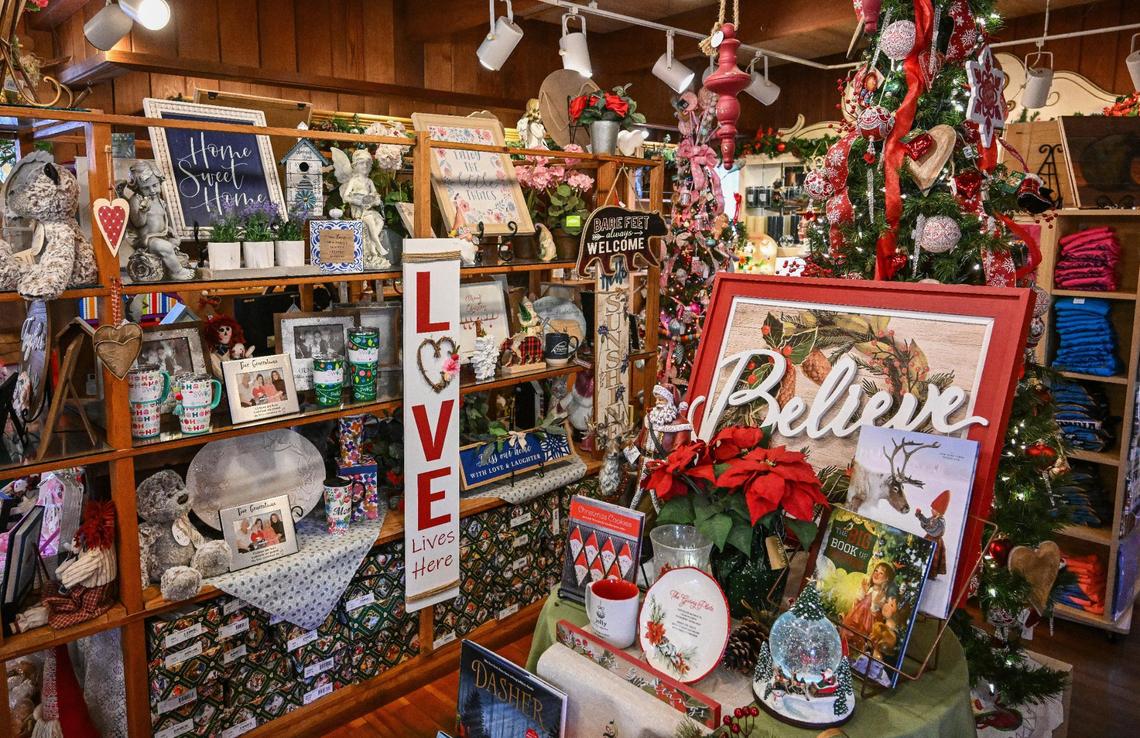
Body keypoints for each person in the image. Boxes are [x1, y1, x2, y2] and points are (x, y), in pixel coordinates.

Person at [843, 561, 895, 640]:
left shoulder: (883, 596)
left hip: (864, 627)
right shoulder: (870, 589)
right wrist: (863, 592)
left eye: (881, 573)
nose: (876, 574)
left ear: (887, 578)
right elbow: (856, 606)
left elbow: (874, 615)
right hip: (853, 621)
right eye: (876, 571)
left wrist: (875, 602)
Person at [915, 490, 950, 578]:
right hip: (929, 538)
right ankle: (920, 568)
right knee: (924, 553)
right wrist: (920, 516)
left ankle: (930, 573)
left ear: (939, 511)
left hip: (935, 542)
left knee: (933, 556)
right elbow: (926, 522)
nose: (931, 510)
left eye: (934, 509)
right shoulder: (933, 518)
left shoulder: (940, 522)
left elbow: (935, 532)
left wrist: (927, 528)